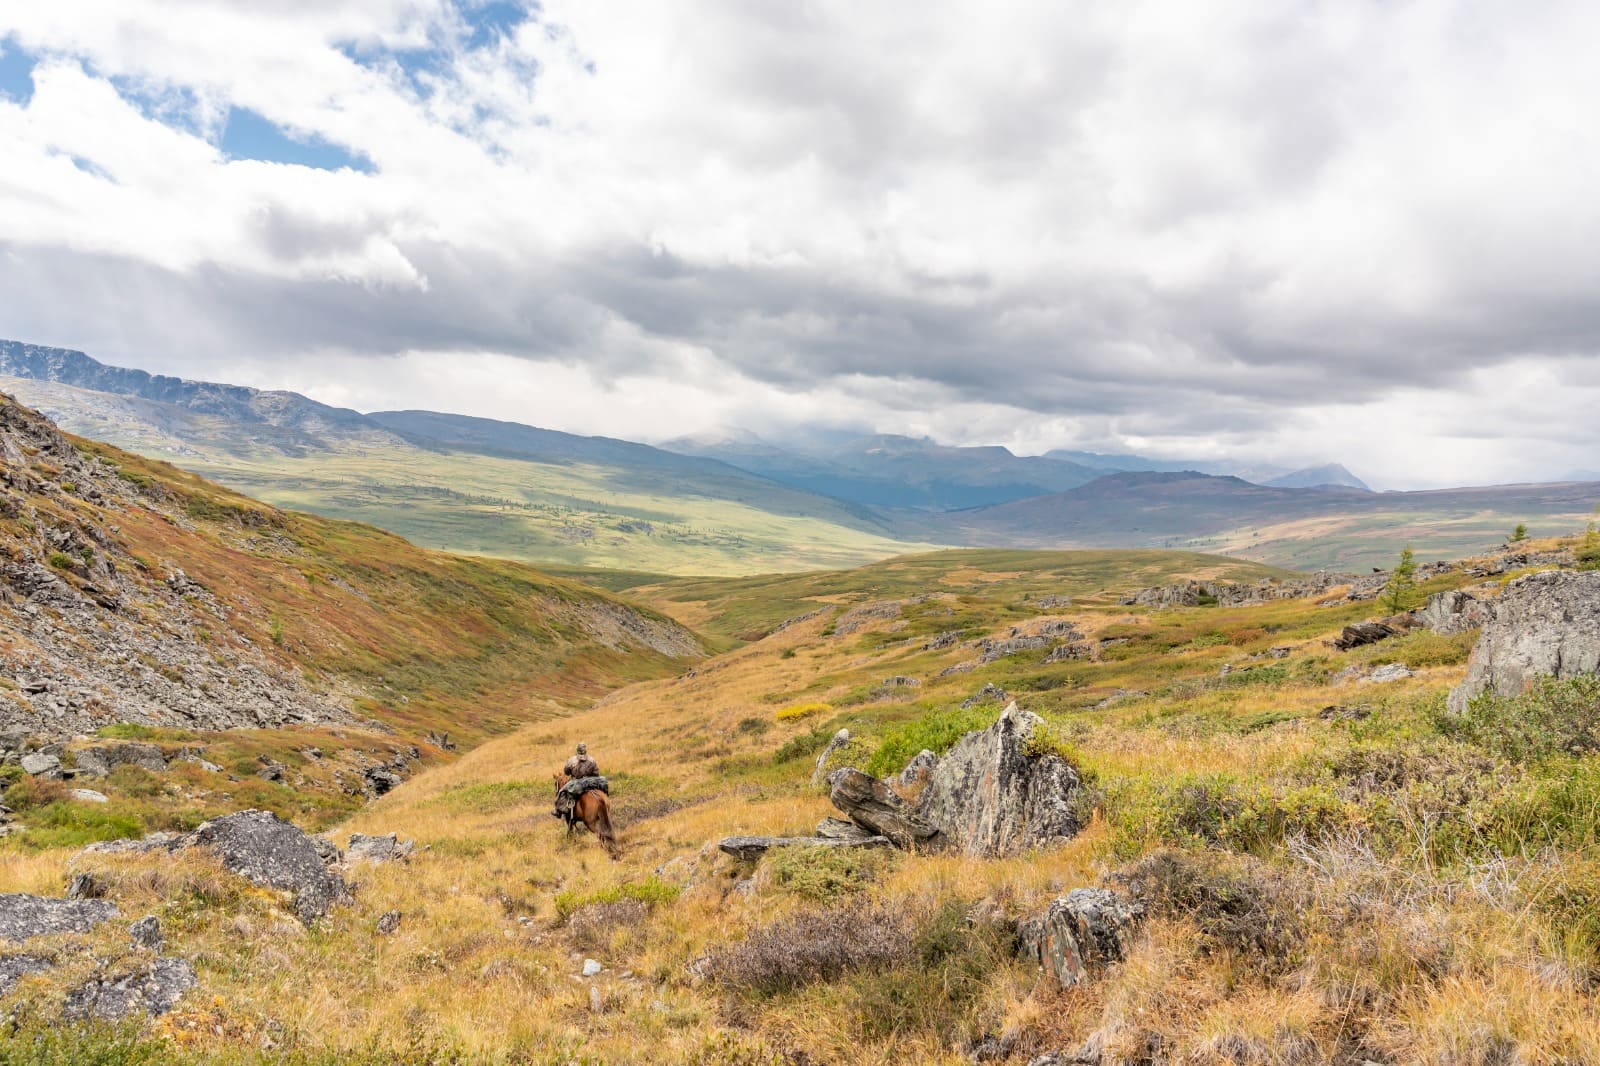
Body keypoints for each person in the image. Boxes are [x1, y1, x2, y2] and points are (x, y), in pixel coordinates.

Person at [553, 743, 604, 821]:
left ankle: (558, 811)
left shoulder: (571, 760)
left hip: (576, 783)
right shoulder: (592, 760)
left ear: (577, 751)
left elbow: (566, 772)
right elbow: (596, 773)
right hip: (590, 782)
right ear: (585, 751)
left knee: (562, 791)